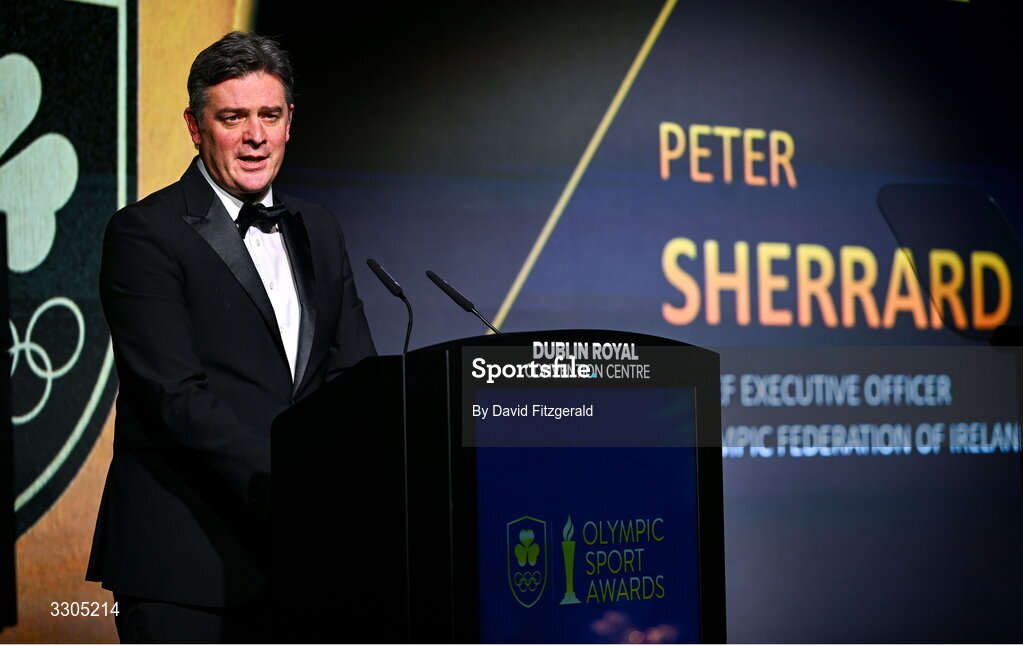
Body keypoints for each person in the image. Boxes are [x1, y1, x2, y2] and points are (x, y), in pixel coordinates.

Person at [87, 31, 375, 642]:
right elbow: (175, 396)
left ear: (290, 121)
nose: (255, 136)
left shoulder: (318, 228)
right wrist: (301, 479)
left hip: (308, 566)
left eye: (270, 115)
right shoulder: (144, 234)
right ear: (195, 126)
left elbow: (352, 374)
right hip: (187, 564)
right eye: (233, 117)